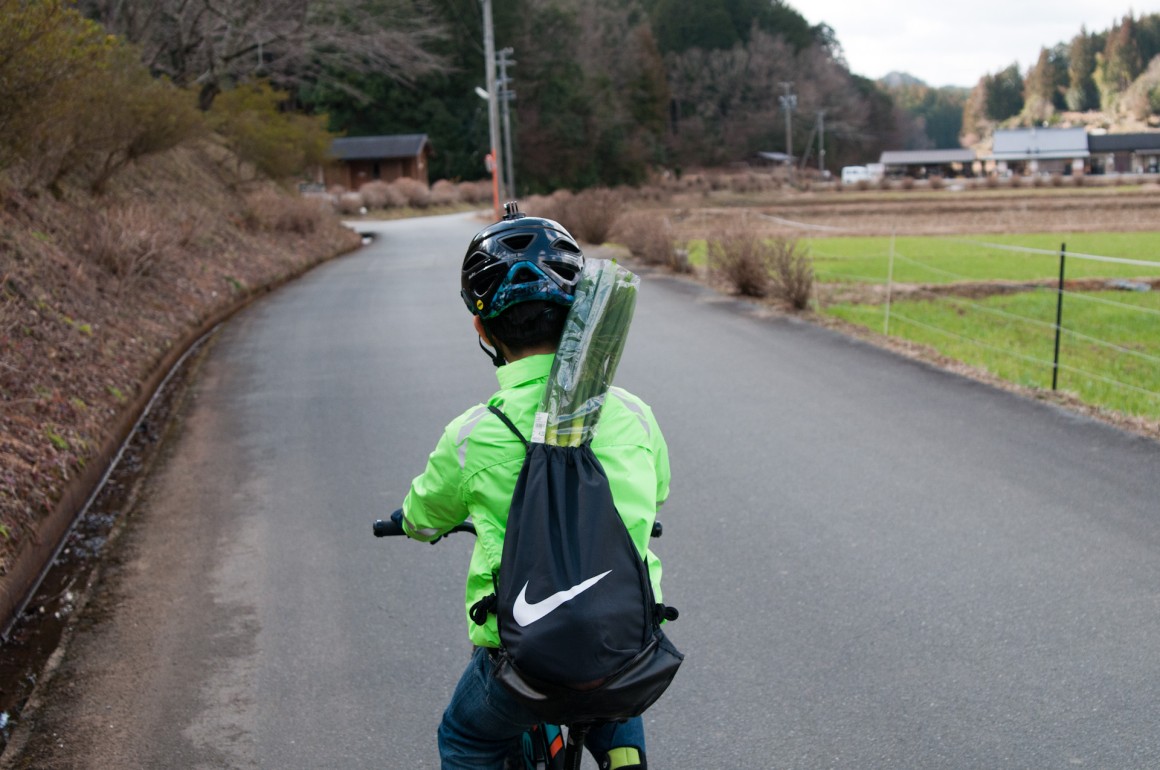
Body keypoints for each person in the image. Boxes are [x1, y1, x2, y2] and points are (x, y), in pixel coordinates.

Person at [397, 208, 671, 770]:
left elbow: (424, 517)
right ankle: (625, 759)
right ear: (577, 314)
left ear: (483, 330)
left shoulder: (473, 435)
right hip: (629, 646)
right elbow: (658, 489)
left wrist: (410, 523)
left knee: (467, 737)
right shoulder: (634, 415)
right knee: (610, 674)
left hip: (524, 665)